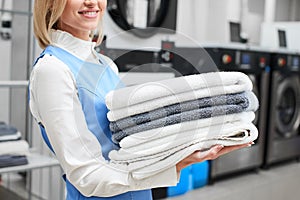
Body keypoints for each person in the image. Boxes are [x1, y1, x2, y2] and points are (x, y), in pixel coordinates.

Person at [29, 0, 253, 199]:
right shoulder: (53, 70)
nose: (92, 2)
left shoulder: (106, 64)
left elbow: (128, 146)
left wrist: (182, 150)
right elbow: (86, 176)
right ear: (51, 3)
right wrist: (172, 166)